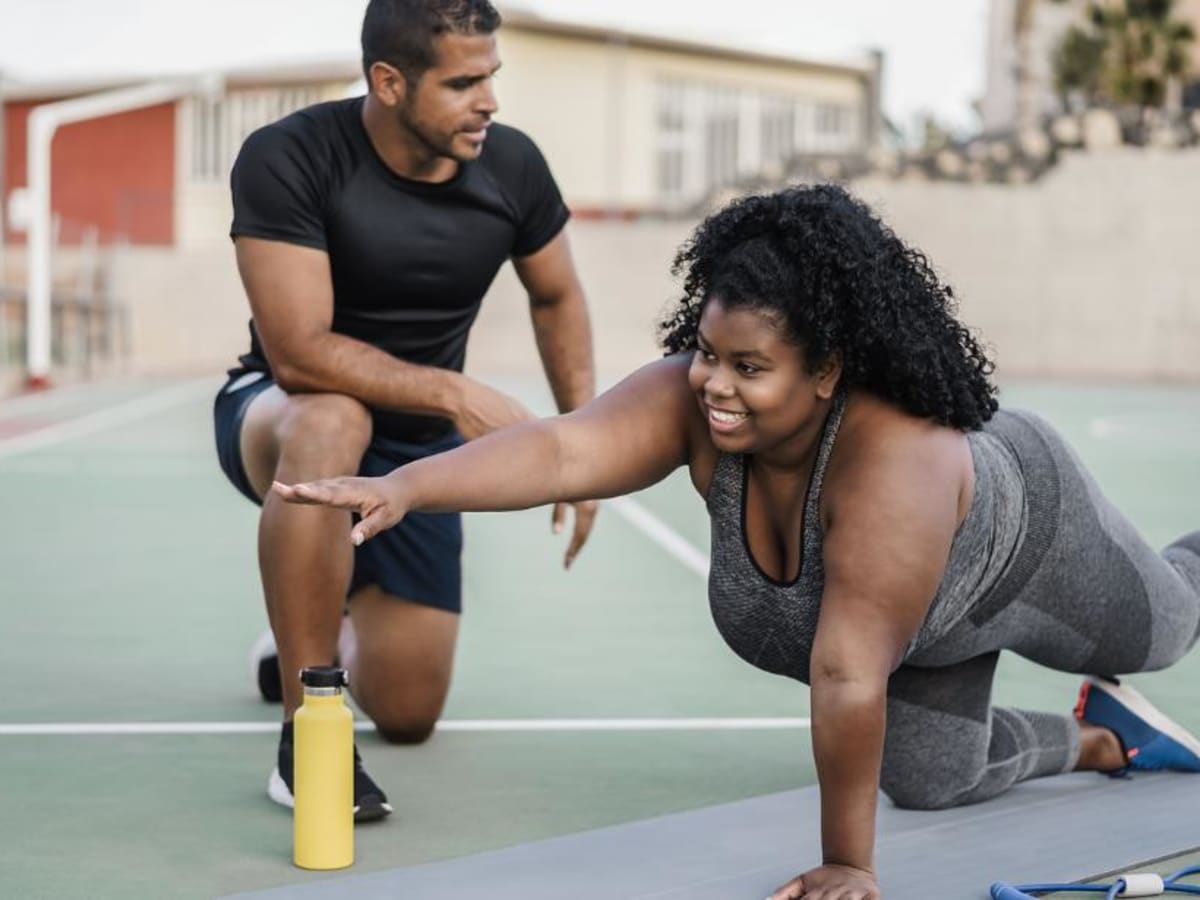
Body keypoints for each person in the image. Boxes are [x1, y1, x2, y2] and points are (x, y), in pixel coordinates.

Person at [274, 182, 1200, 898]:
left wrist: (847, 865)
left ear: (828, 370)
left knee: (1163, 632)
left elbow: (845, 676)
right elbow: (561, 449)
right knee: (927, 780)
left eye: (749, 367)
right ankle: (1098, 739)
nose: (713, 382)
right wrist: (405, 485)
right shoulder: (697, 404)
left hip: (1028, 539)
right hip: (913, 621)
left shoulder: (895, 468)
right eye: (709, 351)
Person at [213, 0, 598, 823]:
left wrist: (588, 441)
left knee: (411, 713)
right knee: (334, 419)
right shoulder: (290, 157)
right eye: (463, 82)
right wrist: (456, 392)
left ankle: (299, 636)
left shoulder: (514, 168)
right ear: (389, 82)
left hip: (417, 451)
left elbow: (557, 295)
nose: (488, 100)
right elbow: (298, 353)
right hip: (281, 413)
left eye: (491, 76)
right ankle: (306, 734)